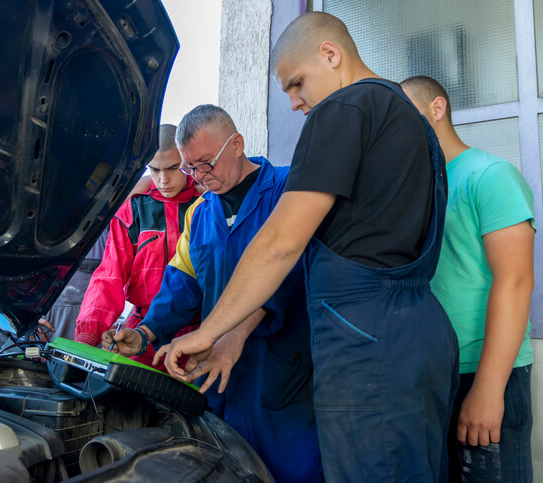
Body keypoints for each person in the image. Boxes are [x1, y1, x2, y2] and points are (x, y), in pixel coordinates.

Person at [154, 13, 459, 482]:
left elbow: (280, 243)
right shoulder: (412, 120)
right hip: (417, 337)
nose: (296, 103)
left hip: (367, 342)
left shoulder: (346, 107)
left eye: (297, 84)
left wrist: (205, 333)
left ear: (331, 55)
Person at [103, 105, 322, 482]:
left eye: (206, 163)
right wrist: (145, 333)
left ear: (236, 144)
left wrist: (234, 335)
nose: (199, 176)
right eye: (191, 168)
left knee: (292, 469)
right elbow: (182, 283)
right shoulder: (200, 213)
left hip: (284, 373)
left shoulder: (290, 192)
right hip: (219, 379)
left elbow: (296, 272)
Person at [401, 75, 536, 483]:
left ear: (436, 110)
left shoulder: (490, 175)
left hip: (486, 373)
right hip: (432, 375)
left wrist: (489, 389)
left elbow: (515, 281)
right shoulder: (417, 189)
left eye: (404, 115)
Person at [72, 124, 200, 370]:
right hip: (141, 335)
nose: (163, 180)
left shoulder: (207, 204)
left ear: (187, 158)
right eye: (154, 170)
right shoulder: (132, 210)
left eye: (173, 168)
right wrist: (88, 334)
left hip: (199, 334)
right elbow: (109, 275)